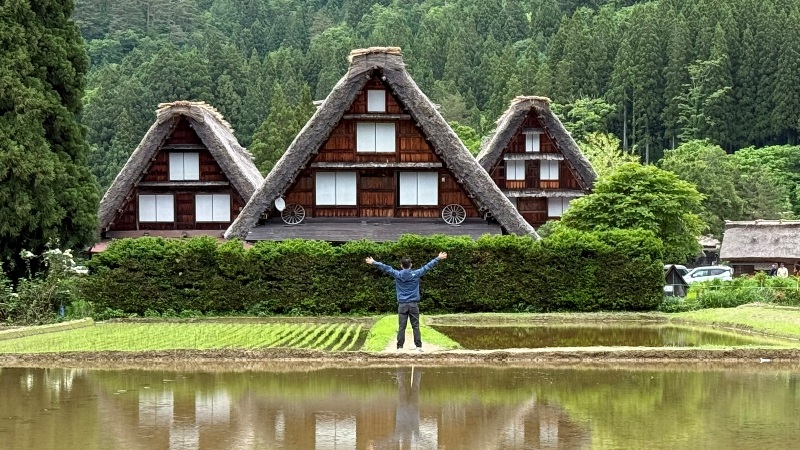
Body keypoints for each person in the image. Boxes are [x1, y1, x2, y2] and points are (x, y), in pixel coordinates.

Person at [365, 252, 447, 351]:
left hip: (402, 305)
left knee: (402, 327)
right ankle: (418, 346)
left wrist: (374, 262)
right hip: (413, 305)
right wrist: (438, 258)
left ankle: (399, 347)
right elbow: (427, 267)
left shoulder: (397, 274)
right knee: (415, 326)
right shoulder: (416, 274)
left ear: (401, 265)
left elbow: (386, 268)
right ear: (411, 265)